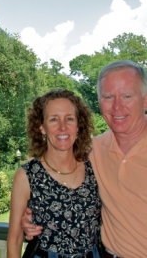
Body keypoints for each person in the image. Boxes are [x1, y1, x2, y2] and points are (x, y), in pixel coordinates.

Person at [22, 60, 147, 258]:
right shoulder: (92, 150)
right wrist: (29, 215)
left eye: (127, 96)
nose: (117, 106)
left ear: (145, 100)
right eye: (108, 96)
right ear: (99, 101)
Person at [7, 89, 101, 258]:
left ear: (79, 125)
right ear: (42, 127)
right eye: (53, 119)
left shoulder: (95, 166)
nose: (62, 127)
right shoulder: (27, 176)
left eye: (69, 119)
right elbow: (14, 240)